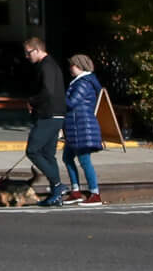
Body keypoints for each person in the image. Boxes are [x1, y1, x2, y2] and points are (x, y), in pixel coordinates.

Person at [22, 35, 71, 206]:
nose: (27, 56)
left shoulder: (46, 66)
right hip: (55, 115)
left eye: (28, 53)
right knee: (48, 154)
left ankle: (57, 185)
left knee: (33, 150)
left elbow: (48, 91)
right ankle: (56, 194)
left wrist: (31, 101)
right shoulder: (50, 65)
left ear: (37, 49)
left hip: (48, 115)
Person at [61, 54, 104, 206]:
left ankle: (95, 193)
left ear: (79, 66)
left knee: (85, 161)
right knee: (67, 158)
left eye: (72, 65)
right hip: (76, 126)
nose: (70, 68)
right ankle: (76, 190)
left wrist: (56, 96)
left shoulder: (83, 83)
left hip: (82, 127)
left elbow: (71, 103)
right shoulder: (79, 82)